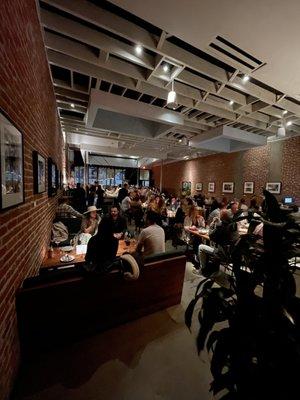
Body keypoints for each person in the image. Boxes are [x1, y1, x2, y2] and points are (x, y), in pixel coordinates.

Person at [197, 210, 240, 274]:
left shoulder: (221, 226)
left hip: (222, 254)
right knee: (214, 244)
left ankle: (202, 269)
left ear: (221, 217)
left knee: (201, 247)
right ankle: (214, 268)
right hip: (233, 254)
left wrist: (212, 224)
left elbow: (211, 236)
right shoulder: (234, 225)